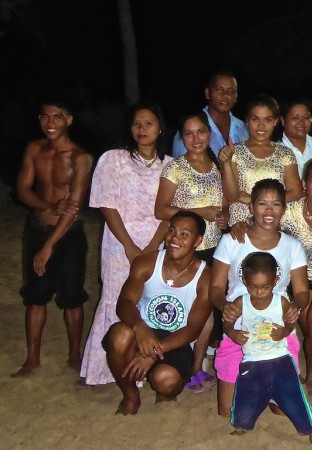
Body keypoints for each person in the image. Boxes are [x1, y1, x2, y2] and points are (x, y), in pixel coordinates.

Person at [230, 157, 312, 393]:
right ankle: (307, 368)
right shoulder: (290, 211)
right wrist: (241, 224)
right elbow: (263, 221)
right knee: (306, 322)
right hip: (293, 276)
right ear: (303, 184)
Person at [79, 102, 173, 386]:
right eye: (136, 123)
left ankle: (142, 369)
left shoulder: (170, 166)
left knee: (150, 298)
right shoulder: (114, 159)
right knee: (116, 297)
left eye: (148, 123)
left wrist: (153, 247)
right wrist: (130, 247)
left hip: (157, 242)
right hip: (120, 242)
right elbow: (107, 205)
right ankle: (102, 369)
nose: (142, 129)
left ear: (159, 128)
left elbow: (170, 211)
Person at [209, 179, 310, 418]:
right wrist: (225, 307)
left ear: (283, 209)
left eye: (276, 204)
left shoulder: (292, 246)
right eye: (262, 204)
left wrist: (295, 306)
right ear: (252, 207)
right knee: (228, 412)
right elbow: (215, 287)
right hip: (240, 330)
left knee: (282, 411)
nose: (269, 211)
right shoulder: (232, 241)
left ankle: (265, 385)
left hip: (276, 330)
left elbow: (303, 291)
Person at [13, 97, 93, 378]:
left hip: (68, 235)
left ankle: (74, 354)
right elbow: (22, 189)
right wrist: (47, 207)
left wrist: (49, 246)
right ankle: (32, 358)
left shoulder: (79, 157)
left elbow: (72, 208)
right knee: (35, 295)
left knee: (72, 297)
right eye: (45, 117)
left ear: (68, 120)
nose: (50, 123)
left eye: (57, 117)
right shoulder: (34, 150)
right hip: (37, 228)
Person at [103, 211, 212, 415]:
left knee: (166, 381)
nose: (175, 239)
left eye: (184, 234)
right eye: (172, 231)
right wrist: (140, 328)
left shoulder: (205, 276)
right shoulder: (147, 262)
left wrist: (153, 354)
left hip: (175, 340)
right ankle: (130, 395)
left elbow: (193, 329)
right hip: (143, 331)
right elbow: (124, 303)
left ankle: (160, 387)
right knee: (119, 335)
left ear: (198, 241)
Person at [155, 111, 230, 391]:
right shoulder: (175, 168)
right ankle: (176, 362)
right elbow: (161, 209)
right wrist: (199, 212)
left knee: (207, 310)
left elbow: (222, 205)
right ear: (181, 137)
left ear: (209, 134)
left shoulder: (216, 166)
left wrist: (222, 217)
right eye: (188, 133)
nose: (195, 138)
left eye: (200, 132)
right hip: (185, 249)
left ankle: (197, 367)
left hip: (213, 248)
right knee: (184, 310)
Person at [225, 252, 312, 448]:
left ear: (275, 281)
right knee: (245, 396)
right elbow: (227, 323)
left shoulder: (281, 302)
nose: (259, 292)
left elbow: (291, 324)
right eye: (253, 287)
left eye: (265, 287)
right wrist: (232, 333)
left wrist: (284, 331)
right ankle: (242, 425)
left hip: (280, 359)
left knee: (294, 397)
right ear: (244, 281)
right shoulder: (241, 302)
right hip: (251, 361)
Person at [219, 95, 303, 225]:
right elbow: (232, 195)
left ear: (275, 121)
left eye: (267, 120)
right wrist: (226, 162)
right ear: (247, 120)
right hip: (241, 224)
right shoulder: (234, 152)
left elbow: (296, 192)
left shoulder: (285, 153)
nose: (261, 126)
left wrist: (255, 201)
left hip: (274, 222)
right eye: (255, 119)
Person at [172, 71, 248, 159]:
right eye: (219, 89)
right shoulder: (188, 131)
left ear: (236, 97)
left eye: (231, 91)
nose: (225, 95)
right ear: (207, 93)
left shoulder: (245, 129)